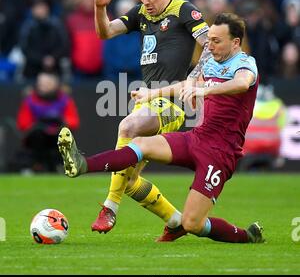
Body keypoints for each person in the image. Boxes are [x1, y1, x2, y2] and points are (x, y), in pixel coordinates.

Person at [58, 13, 265, 244]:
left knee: (193, 224)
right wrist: (151, 93)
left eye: (217, 41)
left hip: (220, 154)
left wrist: (204, 91)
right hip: (197, 138)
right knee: (140, 144)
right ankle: (82, 164)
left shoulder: (245, 63)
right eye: (210, 39)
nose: (210, 45)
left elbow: (242, 83)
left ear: (235, 42)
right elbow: (186, 85)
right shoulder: (211, 62)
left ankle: (248, 236)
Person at [90, 0, 211, 234]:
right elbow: (105, 33)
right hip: (149, 99)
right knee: (130, 180)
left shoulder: (183, 10)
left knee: (127, 127)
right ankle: (176, 222)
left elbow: (210, 43)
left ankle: (110, 207)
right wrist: (100, 8)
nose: (145, 1)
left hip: (173, 102)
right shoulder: (141, 14)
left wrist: (194, 77)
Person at [16, 72, 80, 172]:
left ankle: (61, 165)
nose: (43, 87)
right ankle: (35, 165)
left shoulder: (65, 100)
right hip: (37, 138)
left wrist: (61, 121)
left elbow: (73, 121)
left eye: (47, 84)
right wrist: (39, 126)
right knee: (37, 136)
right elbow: (23, 123)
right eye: (41, 84)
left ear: (55, 84)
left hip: (57, 136)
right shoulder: (30, 101)